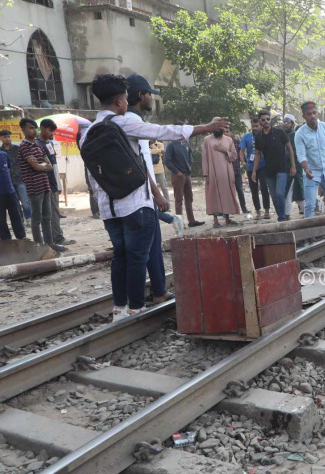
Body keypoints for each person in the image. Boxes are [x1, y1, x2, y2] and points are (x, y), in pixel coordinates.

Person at [85, 73, 228, 320]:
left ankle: (120, 308)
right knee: (137, 257)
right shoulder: (123, 122)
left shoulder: (87, 131)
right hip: (134, 204)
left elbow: (92, 175)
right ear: (120, 101)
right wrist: (206, 127)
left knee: (120, 258)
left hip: (109, 208)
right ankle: (136, 307)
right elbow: (164, 132)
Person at [126, 74, 179, 305]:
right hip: (140, 197)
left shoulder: (128, 121)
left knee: (150, 248)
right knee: (143, 252)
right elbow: (139, 162)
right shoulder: (133, 123)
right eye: (149, 94)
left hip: (142, 196)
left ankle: (157, 291)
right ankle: (140, 301)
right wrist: (156, 192)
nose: (151, 99)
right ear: (141, 95)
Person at [18, 119, 65, 252]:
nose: (34, 131)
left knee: (47, 217)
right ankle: (38, 247)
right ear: (23, 130)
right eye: (31, 128)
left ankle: (49, 244)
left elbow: (48, 166)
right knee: (36, 218)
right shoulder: (24, 147)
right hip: (34, 187)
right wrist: (42, 166)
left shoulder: (38, 145)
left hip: (45, 185)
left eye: (35, 128)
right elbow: (37, 167)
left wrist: (41, 166)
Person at [37, 119, 75, 246]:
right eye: (49, 130)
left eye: (52, 131)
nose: (51, 133)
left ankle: (55, 237)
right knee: (50, 212)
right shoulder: (37, 145)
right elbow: (42, 166)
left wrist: (57, 183)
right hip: (44, 183)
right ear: (42, 128)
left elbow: (54, 165)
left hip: (52, 182)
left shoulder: (49, 143)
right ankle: (56, 238)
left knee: (54, 211)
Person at [253, 110, 295, 222]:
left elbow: (289, 148)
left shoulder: (279, 132)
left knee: (280, 194)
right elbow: (257, 155)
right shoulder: (259, 137)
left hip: (282, 169)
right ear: (260, 122)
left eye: (268, 119)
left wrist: (293, 166)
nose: (266, 121)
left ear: (270, 119)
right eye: (263, 120)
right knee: (274, 197)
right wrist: (253, 171)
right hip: (269, 171)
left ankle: (282, 218)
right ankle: (281, 216)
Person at [163, 131, 205, 228]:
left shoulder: (185, 143)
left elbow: (190, 155)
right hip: (178, 176)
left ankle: (191, 220)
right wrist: (177, 172)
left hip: (187, 174)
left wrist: (190, 164)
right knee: (179, 199)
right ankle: (180, 223)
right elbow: (167, 161)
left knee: (189, 198)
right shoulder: (171, 145)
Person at [203, 124, 242, 227]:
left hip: (226, 172)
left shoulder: (229, 140)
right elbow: (205, 158)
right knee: (213, 195)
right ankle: (215, 221)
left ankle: (227, 219)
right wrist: (206, 174)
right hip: (212, 172)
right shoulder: (207, 140)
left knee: (227, 194)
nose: (218, 129)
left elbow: (234, 156)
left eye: (220, 128)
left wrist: (225, 150)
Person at [240, 118, 271, 219]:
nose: (255, 128)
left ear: (260, 126)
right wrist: (243, 161)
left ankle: (267, 210)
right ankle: (258, 211)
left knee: (264, 188)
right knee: (254, 190)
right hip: (250, 167)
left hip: (263, 165)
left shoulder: (265, 136)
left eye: (257, 126)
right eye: (253, 126)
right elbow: (241, 151)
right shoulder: (246, 137)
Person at [0, 130, 31, 221]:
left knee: (25, 201)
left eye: (9, 136)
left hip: (20, 179)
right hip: (7, 181)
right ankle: (20, 220)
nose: (7, 139)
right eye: (5, 137)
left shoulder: (18, 148)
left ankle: (29, 218)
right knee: (15, 203)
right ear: (0, 138)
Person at [282, 114, 306, 217]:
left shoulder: (296, 135)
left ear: (292, 123)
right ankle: (287, 213)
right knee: (287, 190)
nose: (285, 124)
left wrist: (294, 165)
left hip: (296, 166)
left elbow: (298, 151)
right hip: (285, 167)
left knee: (298, 189)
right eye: (284, 122)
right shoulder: (282, 135)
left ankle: (308, 210)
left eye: (287, 122)